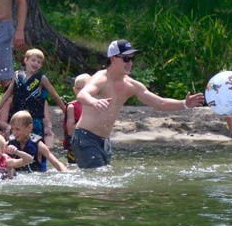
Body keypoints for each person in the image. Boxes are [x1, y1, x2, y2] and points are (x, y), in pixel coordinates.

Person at [73, 39, 205, 169]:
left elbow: (160, 103)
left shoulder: (131, 85)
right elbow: (82, 94)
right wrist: (93, 101)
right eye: (126, 58)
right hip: (86, 138)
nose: (130, 63)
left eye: (132, 58)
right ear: (113, 59)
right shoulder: (101, 78)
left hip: (104, 142)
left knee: (101, 183)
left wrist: (185, 103)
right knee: (98, 182)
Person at [0, 48, 66, 147]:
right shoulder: (17, 76)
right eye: (33, 60)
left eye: (39, 62)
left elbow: (55, 96)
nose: (36, 63)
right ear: (26, 60)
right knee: (15, 146)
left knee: (33, 146)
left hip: (34, 121)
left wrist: (66, 111)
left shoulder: (42, 79)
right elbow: (7, 94)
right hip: (17, 118)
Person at [62, 73, 91, 164]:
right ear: (74, 90)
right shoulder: (72, 107)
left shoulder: (94, 105)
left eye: (84, 88)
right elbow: (70, 131)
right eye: (78, 88)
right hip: (75, 149)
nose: (81, 91)